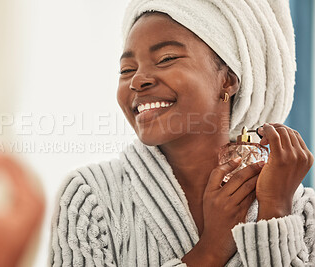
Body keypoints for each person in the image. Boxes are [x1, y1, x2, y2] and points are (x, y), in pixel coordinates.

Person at [49, 0, 315, 266]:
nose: (137, 80)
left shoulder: (303, 212)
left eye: (166, 59)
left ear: (228, 79)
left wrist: (275, 213)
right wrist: (211, 249)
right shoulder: (89, 198)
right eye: (127, 70)